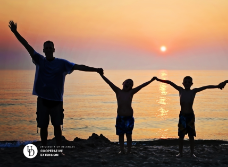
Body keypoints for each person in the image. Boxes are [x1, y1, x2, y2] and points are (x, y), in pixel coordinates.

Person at [8, 21, 104, 149]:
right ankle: (44, 148)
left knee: (57, 126)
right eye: (46, 47)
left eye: (50, 47)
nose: (48, 49)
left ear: (54, 49)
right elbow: (27, 45)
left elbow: (79, 66)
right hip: (42, 100)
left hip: (57, 101)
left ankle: (58, 149)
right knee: (43, 126)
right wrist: (15, 32)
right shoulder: (39, 60)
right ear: (43, 50)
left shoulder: (62, 63)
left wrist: (96, 69)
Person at [155, 76, 222, 157]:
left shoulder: (193, 91)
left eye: (188, 82)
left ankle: (192, 153)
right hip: (182, 116)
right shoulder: (180, 90)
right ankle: (180, 153)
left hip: (190, 116)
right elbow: (170, 82)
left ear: (191, 84)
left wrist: (217, 86)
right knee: (181, 136)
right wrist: (159, 79)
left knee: (191, 136)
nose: (187, 83)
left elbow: (206, 87)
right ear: (183, 83)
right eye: (185, 82)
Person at [98, 72, 156, 154]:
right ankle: (122, 150)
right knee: (121, 135)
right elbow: (109, 82)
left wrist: (151, 80)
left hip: (129, 118)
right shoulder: (117, 91)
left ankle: (129, 150)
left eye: (130, 84)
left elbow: (142, 86)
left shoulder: (131, 92)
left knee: (129, 135)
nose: (128, 84)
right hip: (120, 117)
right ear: (123, 83)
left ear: (131, 87)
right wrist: (101, 75)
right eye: (127, 82)